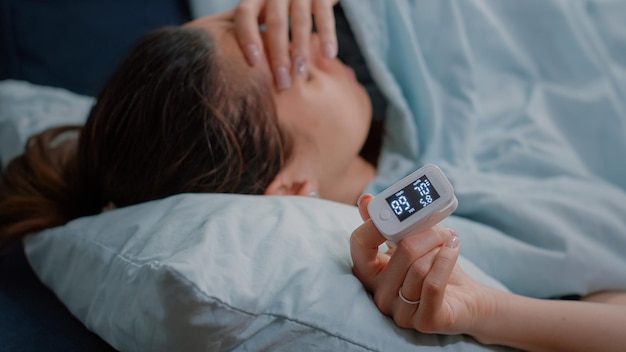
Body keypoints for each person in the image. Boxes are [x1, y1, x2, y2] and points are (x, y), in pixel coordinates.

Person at [0, 0, 625, 351]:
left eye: (276, 38)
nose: (318, 53)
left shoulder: (334, 36)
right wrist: (490, 311)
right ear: (288, 185)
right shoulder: (427, 248)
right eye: (296, 71)